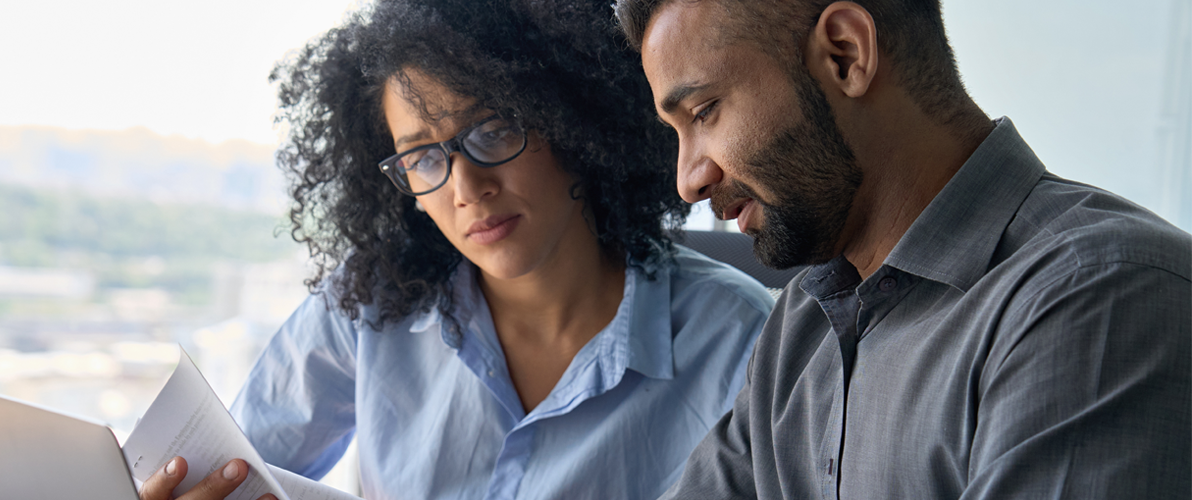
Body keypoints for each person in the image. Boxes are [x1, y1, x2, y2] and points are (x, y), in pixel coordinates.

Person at [131, 0, 779, 499]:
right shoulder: (369, 306)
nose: (467, 186)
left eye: (492, 130)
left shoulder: (742, 343)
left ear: (571, 123)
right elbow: (231, 464)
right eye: (421, 156)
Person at [614, 0, 1192, 498]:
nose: (688, 178)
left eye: (704, 112)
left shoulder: (1100, 295)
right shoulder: (802, 325)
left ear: (845, 54)